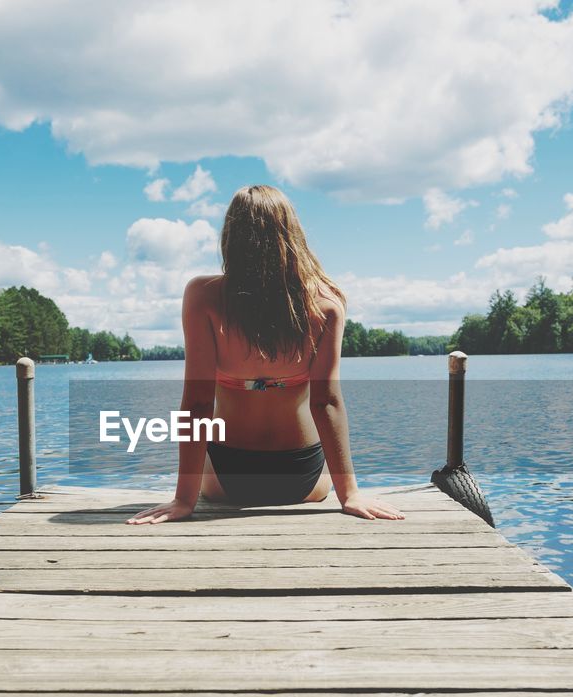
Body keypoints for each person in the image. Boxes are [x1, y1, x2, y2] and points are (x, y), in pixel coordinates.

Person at [127, 185, 404, 524]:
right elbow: (326, 403)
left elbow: (198, 402)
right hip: (304, 479)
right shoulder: (326, 303)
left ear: (231, 237)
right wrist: (350, 494)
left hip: (227, 480)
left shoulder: (204, 296)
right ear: (292, 235)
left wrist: (183, 500)